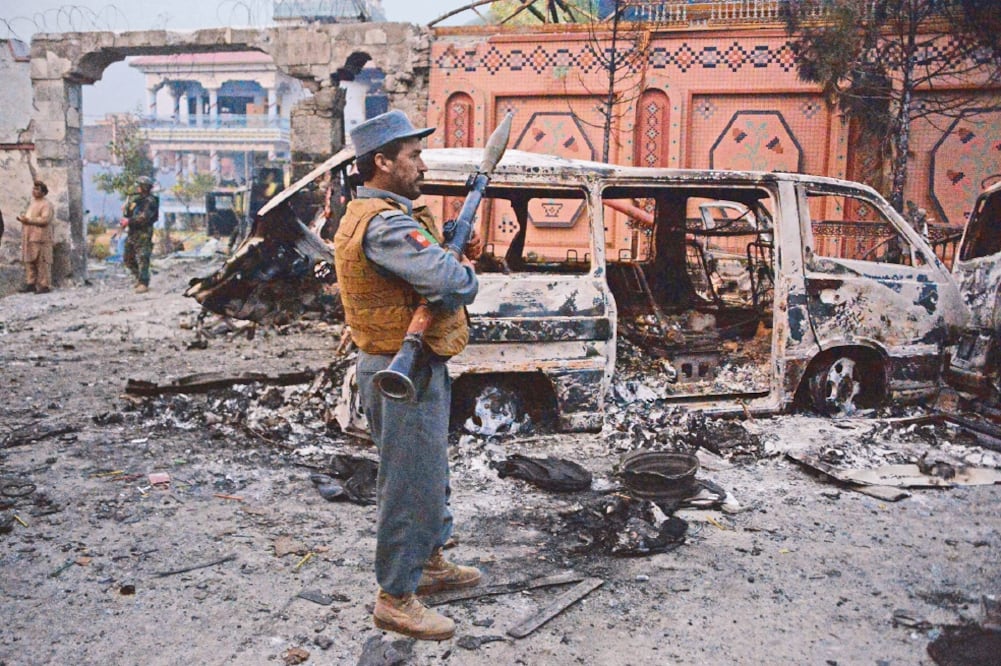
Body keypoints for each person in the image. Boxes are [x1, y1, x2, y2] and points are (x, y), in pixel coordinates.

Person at [333, 110, 483, 642]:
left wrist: (450, 255)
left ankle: (432, 561)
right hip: (402, 368)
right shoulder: (386, 223)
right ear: (382, 162)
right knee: (408, 482)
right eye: (413, 155)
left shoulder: (381, 212)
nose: (421, 164)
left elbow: (425, 276)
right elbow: (450, 283)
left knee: (430, 467)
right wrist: (461, 269)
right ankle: (395, 596)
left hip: (413, 360)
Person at [16, 180, 55, 294]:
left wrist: (29, 220)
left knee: (41, 261)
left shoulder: (46, 204)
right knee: (29, 261)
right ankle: (31, 283)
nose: (34, 191)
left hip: (40, 237)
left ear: (43, 192)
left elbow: (45, 220)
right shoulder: (33, 203)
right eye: (34, 189)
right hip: (29, 236)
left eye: (37, 189)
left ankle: (44, 285)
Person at [122, 176, 159, 293]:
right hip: (132, 232)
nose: (136, 188)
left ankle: (144, 282)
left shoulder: (150, 201)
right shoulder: (137, 200)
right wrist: (126, 208)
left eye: (139, 185)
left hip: (143, 233)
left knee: (143, 257)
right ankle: (139, 277)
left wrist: (129, 221)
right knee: (128, 258)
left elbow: (144, 217)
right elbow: (128, 213)